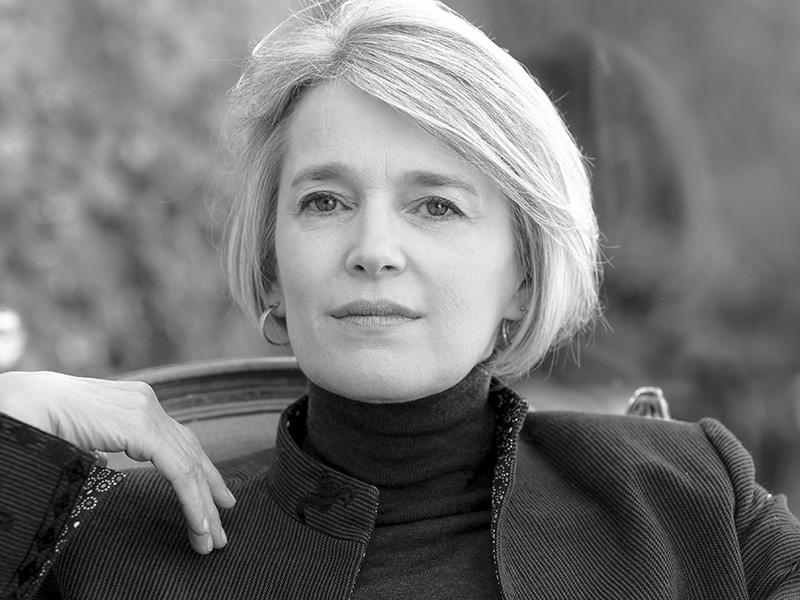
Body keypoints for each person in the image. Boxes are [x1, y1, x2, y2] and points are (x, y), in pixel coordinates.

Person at [1, 0, 799, 598]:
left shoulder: (693, 502)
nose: (373, 249)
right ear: (273, 266)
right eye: (324, 201)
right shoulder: (108, 550)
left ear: (523, 276)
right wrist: (10, 426)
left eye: (436, 206)